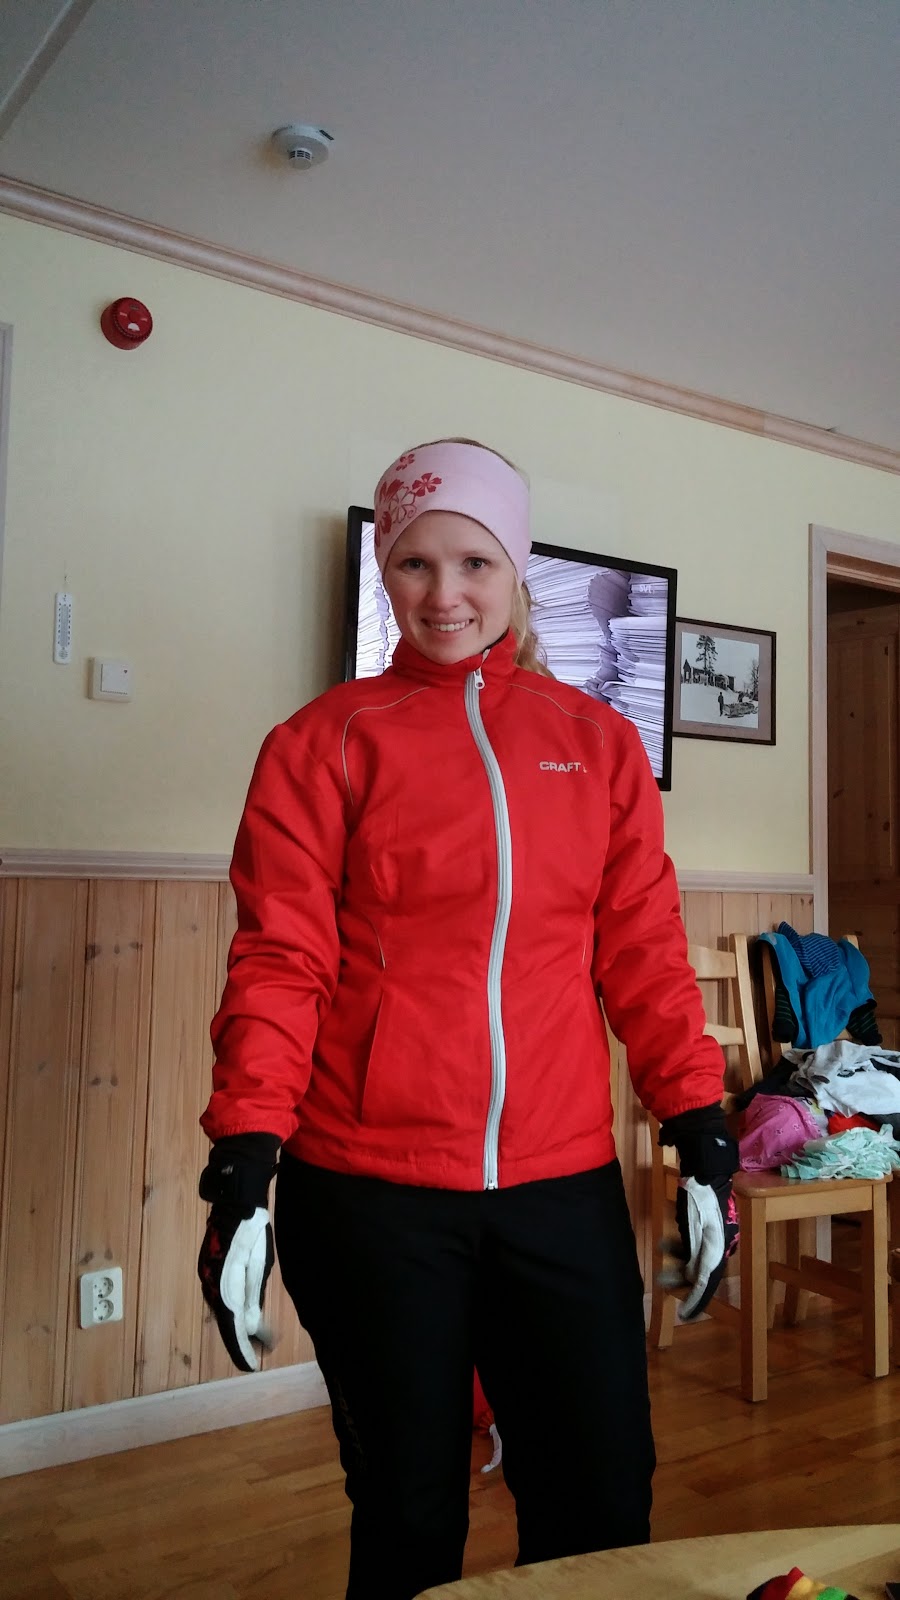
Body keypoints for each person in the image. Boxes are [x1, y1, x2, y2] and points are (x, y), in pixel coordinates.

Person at [197, 438, 738, 1600]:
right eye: (414, 563)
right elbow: (282, 961)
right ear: (385, 573)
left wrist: (700, 1125)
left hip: (560, 1187)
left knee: (601, 1502)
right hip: (369, 1192)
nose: (444, 593)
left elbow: (643, 952)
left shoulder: (598, 744)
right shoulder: (322, 741)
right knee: (407, 1508)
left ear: (516, 569)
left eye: (475, 563)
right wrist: (244, 1158)